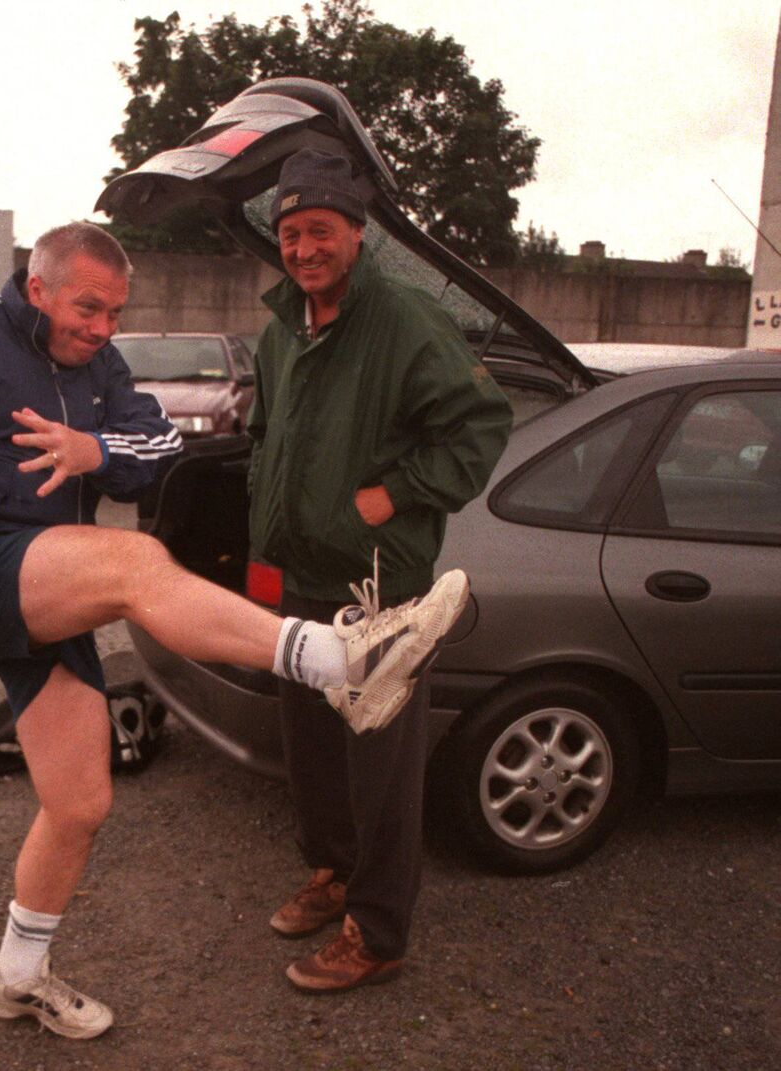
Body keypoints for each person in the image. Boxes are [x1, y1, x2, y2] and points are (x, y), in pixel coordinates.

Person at [0, 220, 468, 1040]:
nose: (102, 328)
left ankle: (15, 975)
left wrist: (93, 450)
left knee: (80, 802)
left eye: (116, 313)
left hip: (50, 597)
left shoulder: (102, 369)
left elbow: (155, 445)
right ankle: (340, 659)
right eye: (88, 308)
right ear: (38, 287)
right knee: (133, 564)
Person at [248, 150, 514, 993]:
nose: (303, 248)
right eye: (290, 234)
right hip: (301, 577)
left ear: (356, 236)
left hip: (377, 587)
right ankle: (332, 873)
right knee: (314, 751)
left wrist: (393, 493)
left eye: (319, 230)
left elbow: (479, 426)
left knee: (383, 771)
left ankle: (380, 930)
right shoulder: (282, 328)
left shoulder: (401, 319)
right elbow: (266, 435)